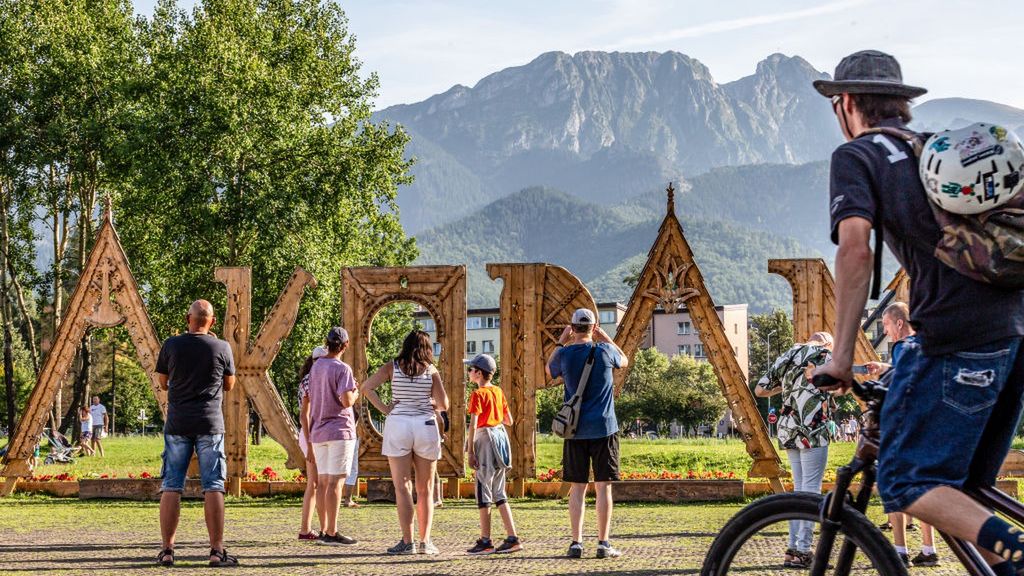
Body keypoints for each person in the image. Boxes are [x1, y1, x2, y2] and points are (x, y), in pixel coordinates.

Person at [812, 50, 1024, 576]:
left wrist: (841, 359)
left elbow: (855, 250)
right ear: (902, 105)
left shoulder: (858, 156)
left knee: (908, 481)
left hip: (958, 338)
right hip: (1015, 334)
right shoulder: (932, 151)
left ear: (845, 104)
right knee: (965, 489)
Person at [155, 300, 238, 567]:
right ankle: (216, 550)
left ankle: (167, 550)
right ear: (212, 321)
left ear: (187, 318)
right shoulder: (222, 347)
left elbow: (163, 382)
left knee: (171, 485)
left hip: (178, 422)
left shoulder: (172, 345)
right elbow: (230, 384)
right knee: (213, 485)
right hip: (210, 423)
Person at [545, 308, 628, 560]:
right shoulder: (605, 351)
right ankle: (603, 543)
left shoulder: (565, 354)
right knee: (604, 488)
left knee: (577, 488)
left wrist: (561, 340)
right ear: (594, 327)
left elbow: (549, 370)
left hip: (575, 429)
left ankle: (576, 543)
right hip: (604, 428)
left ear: (572, 327)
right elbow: (624, 360)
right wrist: (606, 338)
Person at [361, 330, 449, 555]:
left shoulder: (393, 366)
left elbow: (366, 388)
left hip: (398, 424)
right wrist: (430, 402)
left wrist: (385, 408)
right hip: (425, 426)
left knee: (402, 487)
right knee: (426, 488)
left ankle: (407, 541)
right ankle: (425, 542)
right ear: (427, 348)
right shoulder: (431, 370)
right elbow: (444, 404)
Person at [868, 302, 940, 568]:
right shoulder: (923, 345)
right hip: (929, 425)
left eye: (886, 325)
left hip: (905, 426)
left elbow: (901, 384)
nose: (886, 331)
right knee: (923, 488)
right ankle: (929, 549)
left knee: (893, 485)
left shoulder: (902, 346)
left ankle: (899, 550)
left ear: (899, 323)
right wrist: (885, 368)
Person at [755, 331, 835, 569]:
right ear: (828, 343)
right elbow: (840, 384)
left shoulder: (788, 355)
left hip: (788, 427)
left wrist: (790, 387)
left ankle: (792, 549)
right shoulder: (824, 354)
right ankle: (802, 551)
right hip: (813, 427)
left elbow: (760, 389)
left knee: (798, 490)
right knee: (811, 490)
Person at [305, 327, 359, 546]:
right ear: (345, 346)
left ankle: (325, 528)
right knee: (336, 482)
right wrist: (356, 392)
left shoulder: (315, 367)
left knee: (325, 481)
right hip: (339, 429)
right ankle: (332, 531)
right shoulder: (342, 369)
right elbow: (346, 401)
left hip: (318, 430)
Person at [464, 353, 521, 555]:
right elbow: (509, 420)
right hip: (500, 438)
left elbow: (473, 424)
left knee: (483, 488)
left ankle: (486, 540)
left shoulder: (478, 395)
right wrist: (495, 414)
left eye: (470, 369)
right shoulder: (497, 391)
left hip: (485, 438)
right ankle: (512, 537)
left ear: (479, 373)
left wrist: (470, 451)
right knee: (499, 491)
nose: (469, 372)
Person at [297, 345, 327, 540]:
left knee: (314, 483)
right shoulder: (317, 380)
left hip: (307, 433)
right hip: (314, 432)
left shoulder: (304, 381)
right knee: (319, 483)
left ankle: (307, 528)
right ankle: (323, 528)